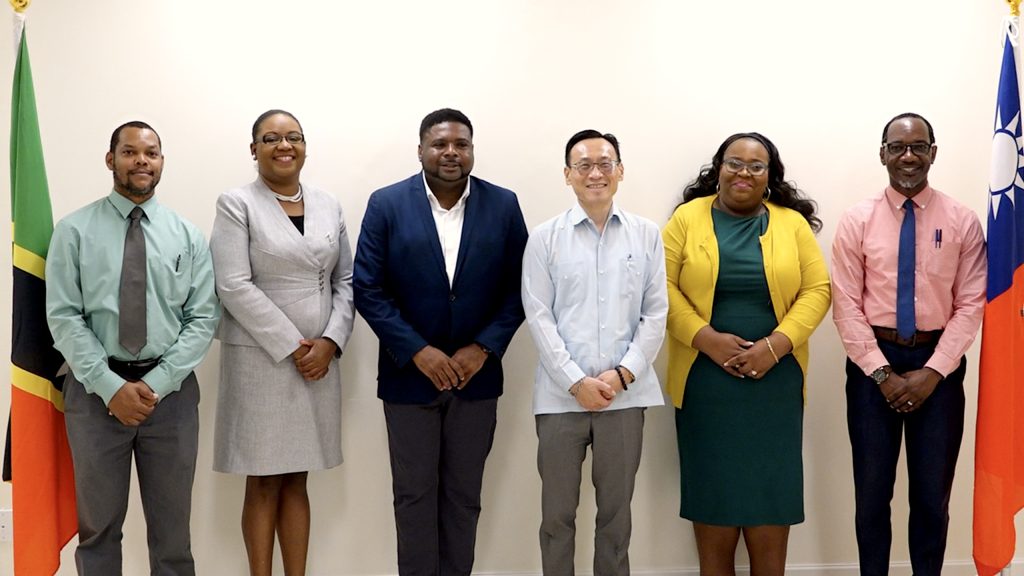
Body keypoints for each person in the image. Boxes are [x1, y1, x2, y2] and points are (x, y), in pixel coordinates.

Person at [353, 108, 528, 576]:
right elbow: (367, 288)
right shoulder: (386, 203)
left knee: (464, 496)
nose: (451, 152)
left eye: (461, 144)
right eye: (440, 144)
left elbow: (521, 288)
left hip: (477, 379)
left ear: (471, 149)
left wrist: (483, 347)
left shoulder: (504, 204)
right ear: (421, 150)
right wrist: (419, 351)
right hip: (409, 379)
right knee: (412, 497)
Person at [45, 121, 220, 575]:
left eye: (151, 153)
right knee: (99, 531)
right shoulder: (74, 231)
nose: (141, 160)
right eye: (130, 152)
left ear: (161, 162)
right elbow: (64, 316)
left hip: (172, 398)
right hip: (95, 397)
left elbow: (202, 319)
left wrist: (155, 384)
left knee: (173, 535)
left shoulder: (187, 235)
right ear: (111, 160)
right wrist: (110, 387)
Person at [662, 132, 831, 575]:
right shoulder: (686, 219)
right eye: (734, 163)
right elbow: (659, 287)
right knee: (713, 503)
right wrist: (706, 339)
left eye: (756, 166)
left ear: (770, 176)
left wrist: (774, 347)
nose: (744, 172)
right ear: (718, 168)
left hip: (774, 384)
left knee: (770, 504)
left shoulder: (791, 223)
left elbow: (818, 290)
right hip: (705, 385)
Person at [832, 113, 986, 576]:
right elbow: (845, 304)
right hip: (869, 370)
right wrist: (881, 374)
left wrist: (934, 371)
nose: (908, 156)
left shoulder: (962, 220)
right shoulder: (857, 220)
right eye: (898, 147)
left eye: (919, 147)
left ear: (933, 153)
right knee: (872, 497)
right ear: (882, 154)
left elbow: (971, 302)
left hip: (938, 367)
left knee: (932, 498)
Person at [210, 109, 355, 576]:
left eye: (293, 136)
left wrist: (331, 341)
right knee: (265, 479)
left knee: (298, 477)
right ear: (253, 150)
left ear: (305, 146)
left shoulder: (329, 204)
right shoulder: (237, 203)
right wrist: (295, 346)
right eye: (270, 138)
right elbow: (232, 284)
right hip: (263, 361)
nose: (283, 145)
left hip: (320, 361)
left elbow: (346, 279)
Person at [521, 129, 667, 576]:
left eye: (605, 163)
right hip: (560, 399)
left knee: (616, 516)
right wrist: (575, 381)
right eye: (583, 165)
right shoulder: (545, 238)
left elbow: (656, 313)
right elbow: (538, 315)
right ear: (568, 175)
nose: (595, 173)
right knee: (557, 517)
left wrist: (622, 375)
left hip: (626, 398)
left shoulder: (645, 235)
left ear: (620, 171)